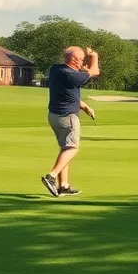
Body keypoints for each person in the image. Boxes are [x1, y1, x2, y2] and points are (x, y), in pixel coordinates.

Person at [41, 46, 100, 198]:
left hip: (54, 116)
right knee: (72, 148)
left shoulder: (55, 69)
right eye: (81, 60)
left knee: (65, 148)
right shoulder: (73, 76)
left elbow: (69, 95)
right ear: (73, 60)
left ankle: (63, 186)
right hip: (68, 117)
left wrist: (85, 106)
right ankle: (51, 176)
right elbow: (95, 71)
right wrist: (94, 56)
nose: (82, 63)